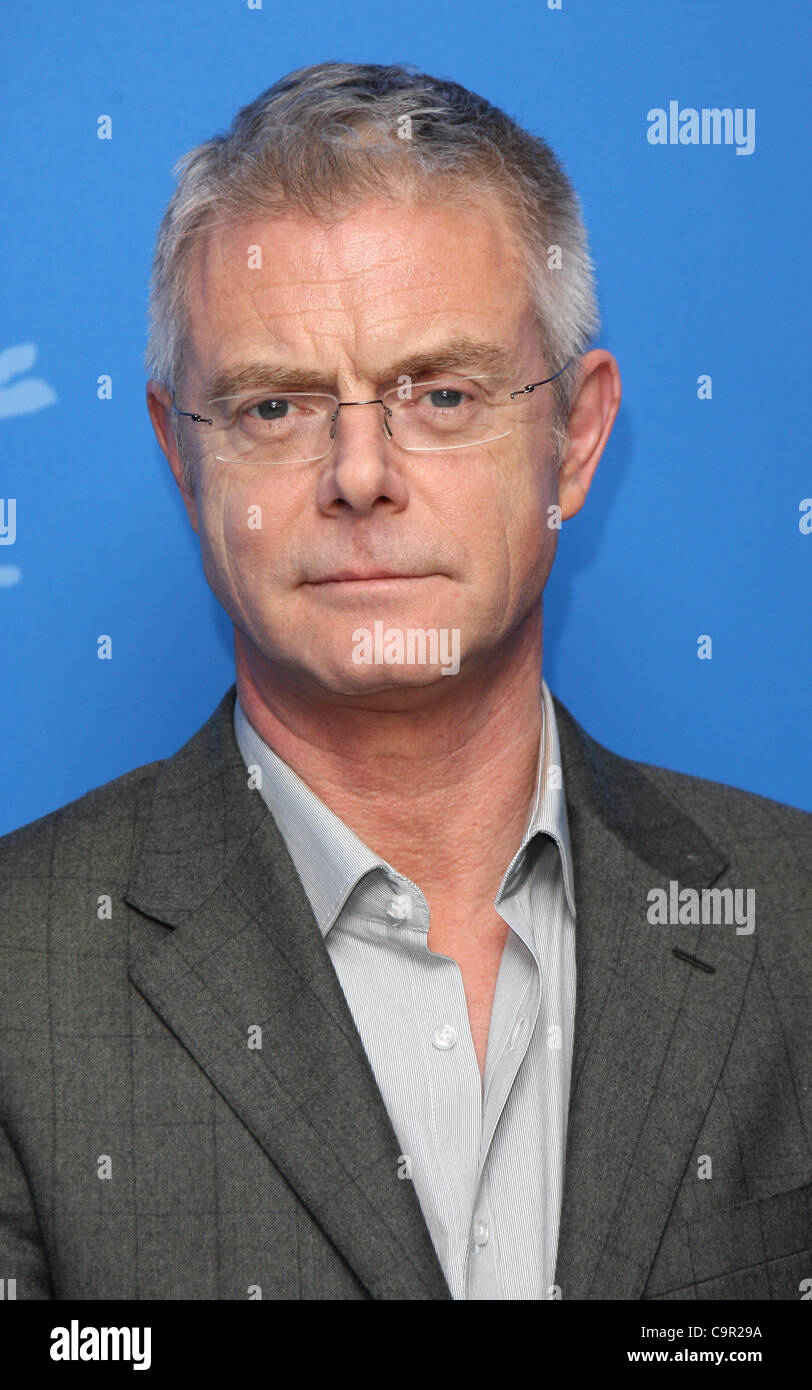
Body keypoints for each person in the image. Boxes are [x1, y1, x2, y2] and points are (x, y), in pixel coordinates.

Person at [1, 62, 809, 1302]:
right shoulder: (19, 976)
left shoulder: (793, 922)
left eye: (441, 392)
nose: (360, 473)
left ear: (575, 438)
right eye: (275, 405)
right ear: (183, 455)